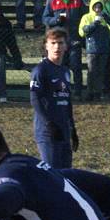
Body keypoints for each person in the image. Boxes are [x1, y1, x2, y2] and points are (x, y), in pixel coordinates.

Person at [30, 28, 79, 167]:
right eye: (53, 43)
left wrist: (72, 128)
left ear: (66, 46)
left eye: (60, 43)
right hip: (48, 132)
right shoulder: (41, 70)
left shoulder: (65, 71)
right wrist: (49, 124)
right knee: (52, 175)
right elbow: (35, 99)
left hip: (63, 130)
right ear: (46, 45)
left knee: (66, 177)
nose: (56, 47)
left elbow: (67, 101)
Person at [42, 0, 87, 100]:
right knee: (60, 68)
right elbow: (45, 18)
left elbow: (85, 17)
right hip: (59, 42)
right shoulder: (52, 0)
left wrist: (80, 36)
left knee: (76, 67)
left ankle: (77, 93)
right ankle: (61, 92)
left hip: (74, 40)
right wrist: (56, 20)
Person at [78, 0, 110, 101]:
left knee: (101, 72)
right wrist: (94, 24)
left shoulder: (105, 18)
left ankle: (98, 93)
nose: (97, 9)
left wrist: (108, 20)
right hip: (92, 50)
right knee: (91, 71)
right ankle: (90, 92)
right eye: (95, 7)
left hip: (103, 49)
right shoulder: (86, 17)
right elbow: (82, 32)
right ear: (92, 7)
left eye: (99, 7)